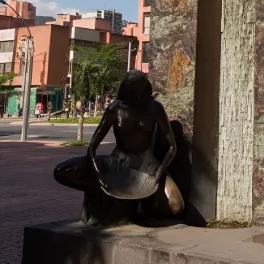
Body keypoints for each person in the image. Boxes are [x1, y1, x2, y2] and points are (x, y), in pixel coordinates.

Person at [54, 70, 184, 225]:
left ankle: (141, 205)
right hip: (119, 159)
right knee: (62, 171)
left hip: (146, 163)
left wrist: (160, 172)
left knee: (175, 206)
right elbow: (93, 146)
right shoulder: (115, 109)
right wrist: (98, 176)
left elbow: (172, 147)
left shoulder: (155, 108)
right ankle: (103, 202)